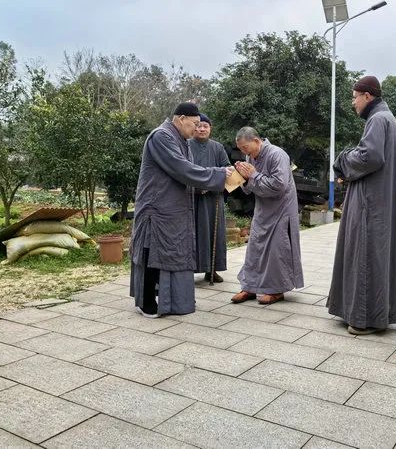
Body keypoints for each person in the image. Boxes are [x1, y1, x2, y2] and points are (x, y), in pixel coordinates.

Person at [129, 103, 233, 318]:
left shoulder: (181, 140)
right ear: (181, 118)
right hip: (156, 208)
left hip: (175, 208)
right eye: (194, 124)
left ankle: (172, 299)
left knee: (174, 253)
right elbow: (182, 169)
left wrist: (224, 174)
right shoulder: (161, 137)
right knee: (153, 251)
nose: (197, 129)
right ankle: (146, 301)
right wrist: (219, 174)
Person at [327, 75, 396, 335]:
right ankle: (372, 313)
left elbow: (370, 156)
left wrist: (342, 158)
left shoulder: (378, 119)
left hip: (371, 203)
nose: (353, 103)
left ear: (367, 96)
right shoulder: (387, 119)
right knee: (375, 255)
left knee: (365, 254)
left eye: (354, 98)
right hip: (380, 200)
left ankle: (363, 318)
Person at [231, 127, 303, 305]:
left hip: (281, 208)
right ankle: (250, 286)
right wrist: (242, 177)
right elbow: (248, 189)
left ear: (256, 141)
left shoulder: (277, 154)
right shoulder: (250, 157)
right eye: (240, 149)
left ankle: (276, 290)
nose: (243, 152)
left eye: (245, 147)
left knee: (277, 249)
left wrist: (253, 175)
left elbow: (279, 185)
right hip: (263, 208)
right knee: (255, 246)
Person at [189, 114, 230, 283]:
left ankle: (211, 270)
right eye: (198, 125)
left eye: (205, 126)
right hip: (191, 199)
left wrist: (212, 183)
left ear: (210, 129)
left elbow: (227, 169)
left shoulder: (218, 147)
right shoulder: (186, 146)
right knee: (192, 234)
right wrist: (198, 186)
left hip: (213, 200)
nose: (201, 129)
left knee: (215, 234)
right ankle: (187, 271)